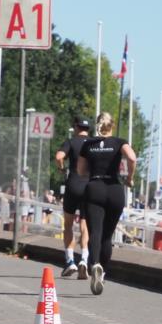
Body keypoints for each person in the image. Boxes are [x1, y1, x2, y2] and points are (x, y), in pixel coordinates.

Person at [77, 112, 138, 295]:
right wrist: (129, 177)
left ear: (97, 125)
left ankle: (94, 263)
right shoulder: (119, 142)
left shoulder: (88, 144)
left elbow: (80, 171)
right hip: (114, 189)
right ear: (112, 126)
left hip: (95, 187)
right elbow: (132, 158)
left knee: (95, 231)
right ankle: (102, 270)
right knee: (107, 236)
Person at [56, 118, 93, 279]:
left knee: (69, 224)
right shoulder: (94, 143)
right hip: (89, 187)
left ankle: (70, 261)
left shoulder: (71, 141)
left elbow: (59, 156)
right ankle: (84, 259)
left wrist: (62, 169)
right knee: (85, 225)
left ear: (77, 127)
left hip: (73, 184)